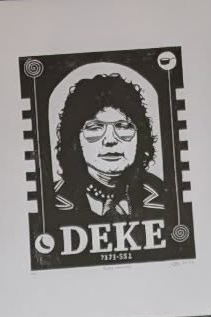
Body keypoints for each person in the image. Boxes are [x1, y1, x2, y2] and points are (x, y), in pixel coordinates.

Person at [52, 71, 166, 224]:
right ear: (74, 139)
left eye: (123, 127)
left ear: (140, 136)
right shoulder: (51, 199)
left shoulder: (161, 194)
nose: (110, 140)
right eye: (95, 128)